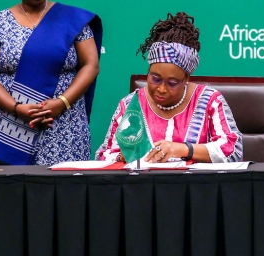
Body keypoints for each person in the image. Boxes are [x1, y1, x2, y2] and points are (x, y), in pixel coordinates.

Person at [0, 0, 102, 166]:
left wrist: (62, 103)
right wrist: (16, 108)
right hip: (11, 125)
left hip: (63, 124)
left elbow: (91, 65)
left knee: (65, 195)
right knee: (9, 195)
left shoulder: (71, 19)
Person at [96, 12, 243, 163]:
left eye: (172, 83)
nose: (161, 89)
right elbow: (104, 156)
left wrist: (182, 149)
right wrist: (124, 156)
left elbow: (232, 151)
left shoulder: (209, 101)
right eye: (155, 79)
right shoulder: (130, 104)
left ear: (186, 78)